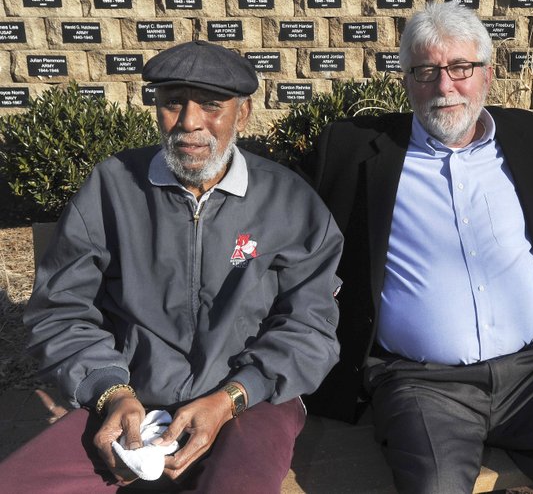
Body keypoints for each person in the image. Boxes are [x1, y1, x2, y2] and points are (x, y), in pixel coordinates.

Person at [303, 1, 533, 494]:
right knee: (435, 485)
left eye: (460, 68)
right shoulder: (353, 150)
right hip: (423, 382)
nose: (444, 87)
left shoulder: (528, 137)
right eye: (426, 71)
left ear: (487, 74)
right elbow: (279, 211)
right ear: (405, 79)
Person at [0, 40, 344, 493]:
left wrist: (230, 398)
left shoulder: (290, 202)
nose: (189, 123)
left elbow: (310, 325)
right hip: (131, 400)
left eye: (211, 106)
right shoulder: (112, 188)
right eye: (172, 103)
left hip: (251, 400)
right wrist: (111, 392)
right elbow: (61, 310)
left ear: (242, 114)